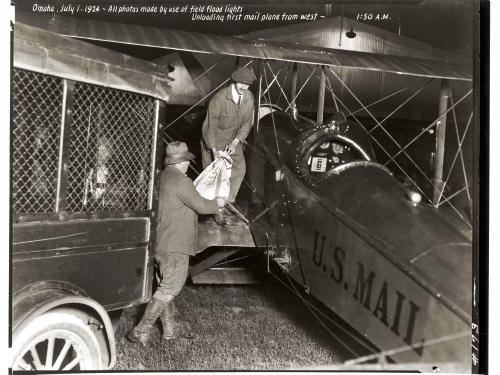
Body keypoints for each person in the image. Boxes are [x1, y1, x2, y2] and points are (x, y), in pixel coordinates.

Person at [127, 141, 225, 344]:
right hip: (176, 245)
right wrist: (218, 202)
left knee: (165, 287)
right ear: (180, 162)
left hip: (161, 243)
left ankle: (169, 334)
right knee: (169, 288)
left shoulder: (160, 178)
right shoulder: (182, 181)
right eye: (187, 161)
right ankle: (139, 331)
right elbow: (203, 206)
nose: (189, 164)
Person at [200, 66, 257, 225]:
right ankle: (214, 209)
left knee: (240, 169)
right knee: (214, 174)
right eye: (241, 84)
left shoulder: (249, 98)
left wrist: (235, 142)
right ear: (234, 81)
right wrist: (214, 150)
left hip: (232, 139)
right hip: (213, 139)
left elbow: (246, 124)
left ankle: (224, 202)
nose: (244, 88)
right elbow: (210, 126)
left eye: (247, 85)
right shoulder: (219, 98)